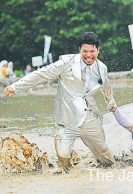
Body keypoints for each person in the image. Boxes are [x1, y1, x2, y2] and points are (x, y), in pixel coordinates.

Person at [3, 32, 117, 173]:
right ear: (79, 50)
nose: (89, 55)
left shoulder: (102, 68)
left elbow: (106, 86)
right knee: (63, 157)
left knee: (107, 157)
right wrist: (16, 87)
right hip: (66, 120)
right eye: (84, 51)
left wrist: (111, 103)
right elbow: (41, 74)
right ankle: (71, 176)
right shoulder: (66, 63)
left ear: (98, 50)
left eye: (92, 51)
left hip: (90, 118)